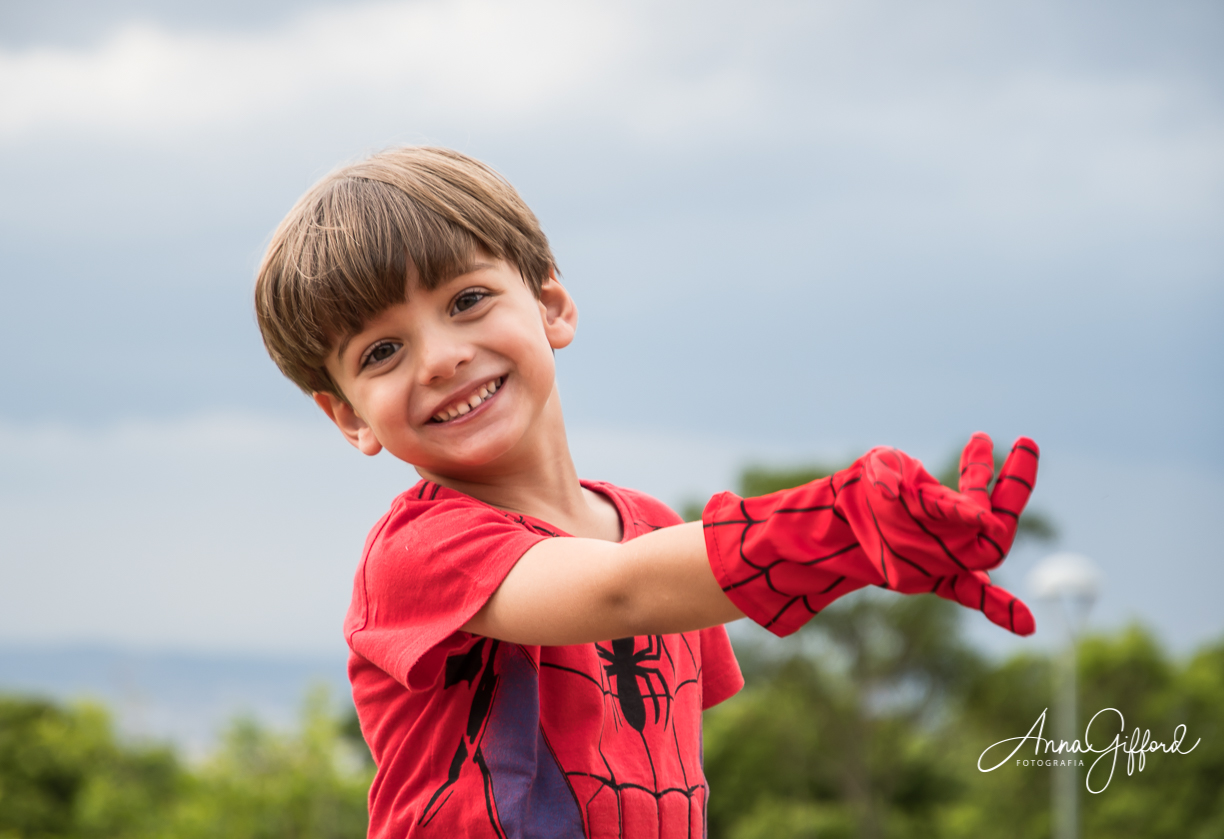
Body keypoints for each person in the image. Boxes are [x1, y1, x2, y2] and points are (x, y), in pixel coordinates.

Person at [253, 146, 1040, 838]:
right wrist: (843, 524)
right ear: (349, 415)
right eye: (383, 350)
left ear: (551, 305)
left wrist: (869, 553)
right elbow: (621, 593)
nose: (440, 358)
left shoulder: (653, 527)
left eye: (466, 300)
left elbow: (673, 766)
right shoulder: (419, 551)